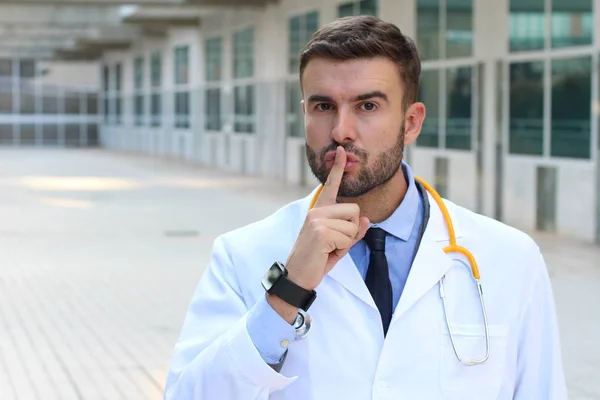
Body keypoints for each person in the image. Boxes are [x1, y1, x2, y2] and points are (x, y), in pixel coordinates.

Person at [163, 16, 567, 399]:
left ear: (411, 122)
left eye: (367, 106)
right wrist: (287, 294)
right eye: (323, 106)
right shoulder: (242, 255)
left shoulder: (509, 258)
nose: (341, 131)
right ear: (304, 114)